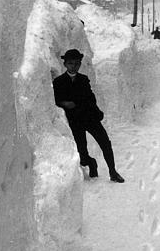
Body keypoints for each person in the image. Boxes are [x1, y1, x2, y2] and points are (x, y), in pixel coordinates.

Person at [52, 49, 124, 183]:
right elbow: (55, 100)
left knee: (105, 143)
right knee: (82, 154)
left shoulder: (84, 80)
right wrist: (64, 103)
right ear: (65, 64)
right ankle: (91, 163)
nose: (74, 66)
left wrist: (94, 110)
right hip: (75, 121)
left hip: (90, 117)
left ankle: (113, 172)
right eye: (71, 63)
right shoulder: (58, 82)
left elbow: (91, 99)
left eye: (77, 63)